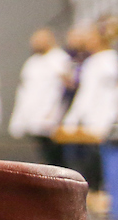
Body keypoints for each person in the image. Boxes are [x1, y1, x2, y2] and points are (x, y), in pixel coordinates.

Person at [58, 21, 118, 201]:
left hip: (102, 119)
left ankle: (99, 193)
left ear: (100, 39)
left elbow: (101, 95)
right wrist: (73, 118)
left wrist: (107, 117)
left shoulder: (110, 60)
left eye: (91, 37)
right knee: (83, 159)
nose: (87, 41)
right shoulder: (94, 61)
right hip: (91, 120)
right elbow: (86, 94)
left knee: (96, 161)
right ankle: (90, 193)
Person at [8, 28, 71, 166]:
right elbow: (24, 91)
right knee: (43, 154)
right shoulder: (32, 63)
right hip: (34, 114)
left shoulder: (60, 59)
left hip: (53, 117)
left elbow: (65, 90)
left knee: (57, 156)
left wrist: (56, 114)